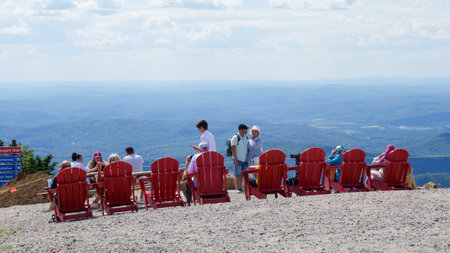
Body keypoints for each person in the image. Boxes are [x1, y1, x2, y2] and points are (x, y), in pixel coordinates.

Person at [231, 123, 249, 193]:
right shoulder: (235, 137)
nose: (246, 130)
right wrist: (235, 159)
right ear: (241, 130)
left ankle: (240, 187)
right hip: (238, 158)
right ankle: (237, 188)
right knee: (237, 174)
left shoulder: (245, 137)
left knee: (242, 174)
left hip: (244, 158)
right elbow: (233, 149)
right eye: (245, 129)